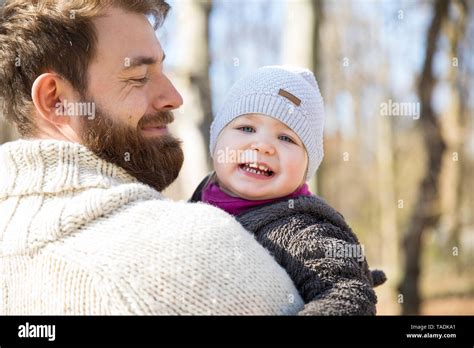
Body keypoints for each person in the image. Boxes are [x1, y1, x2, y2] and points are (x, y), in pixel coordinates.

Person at [0, 0, 304, 315]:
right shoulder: (194, 251)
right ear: (56, 99)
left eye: (162, 70)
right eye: (139, 76)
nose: (173, 98)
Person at [191, 66, 387, 315]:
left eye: (286, 138)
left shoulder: (302, 230)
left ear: (307, 166)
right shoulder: (198, 200)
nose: (263, 146)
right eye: (247, 128)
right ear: (216, 139)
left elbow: (348, 297)